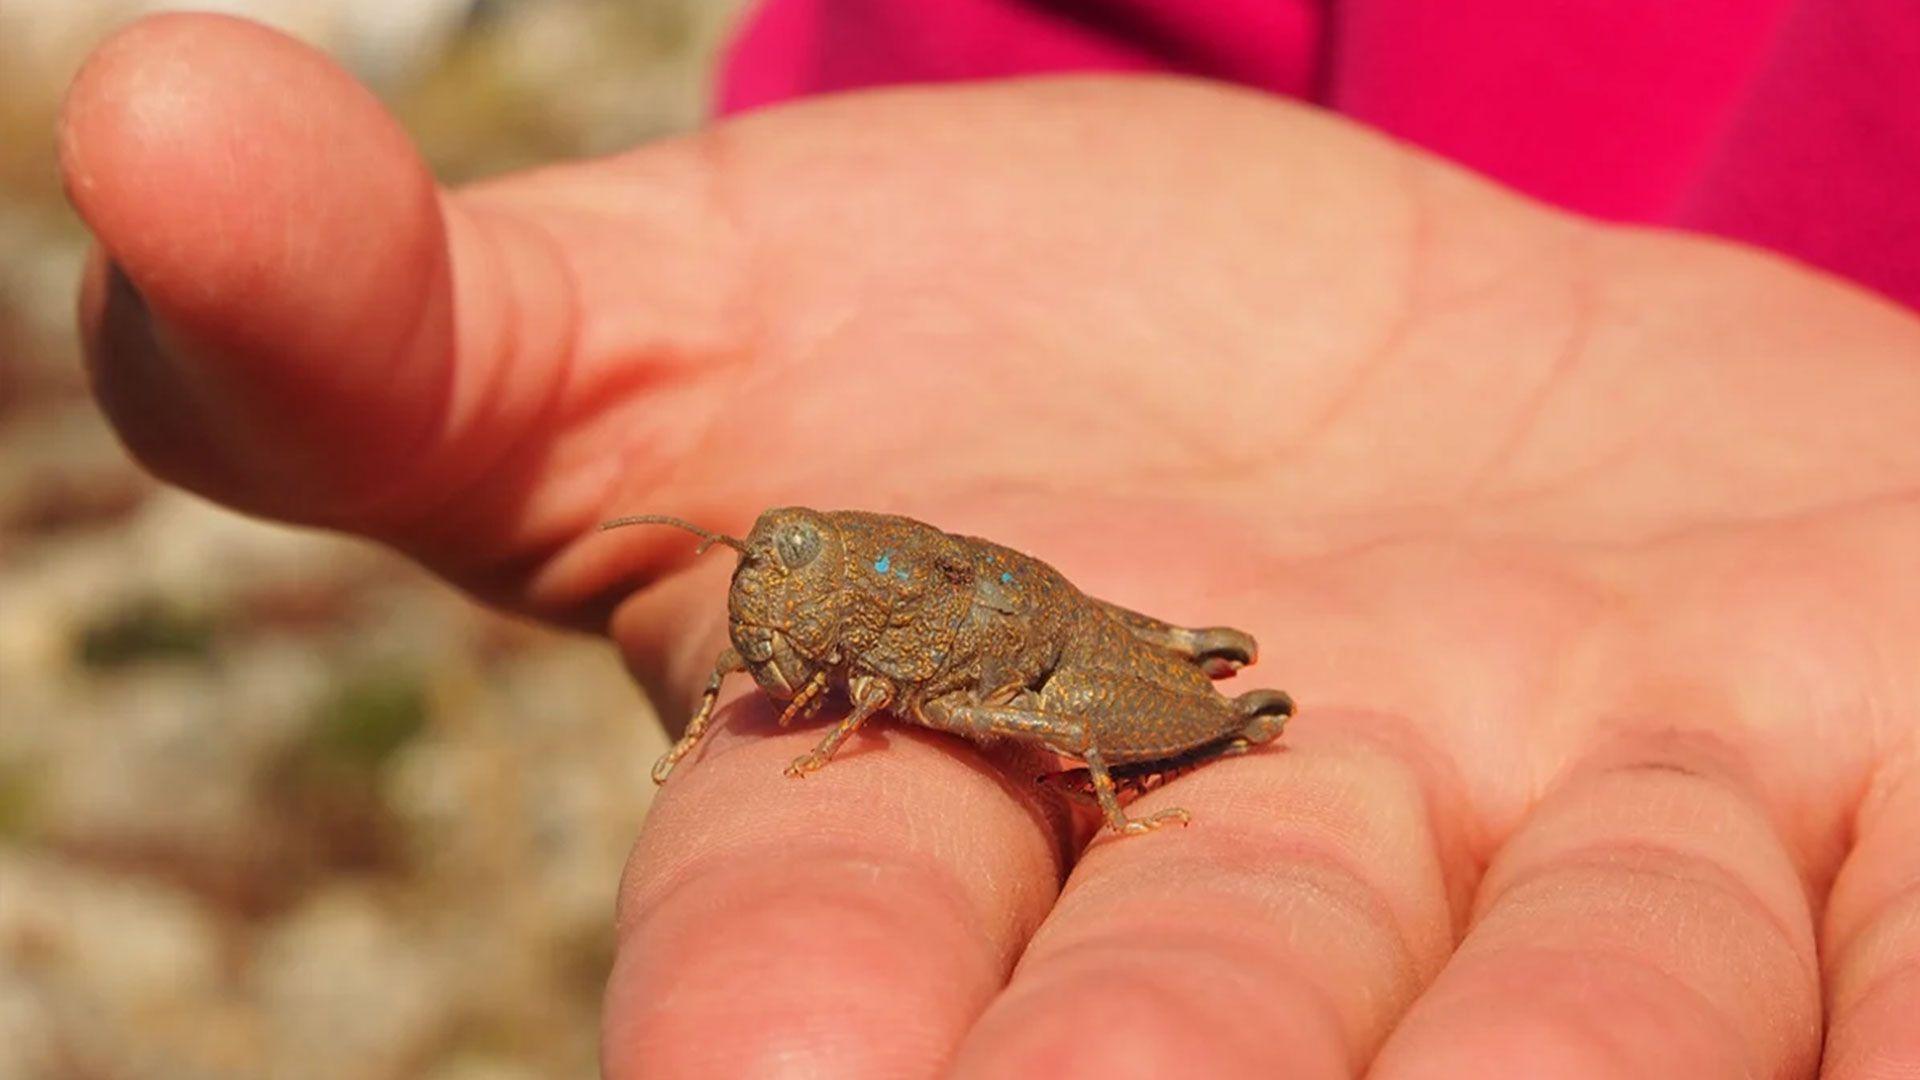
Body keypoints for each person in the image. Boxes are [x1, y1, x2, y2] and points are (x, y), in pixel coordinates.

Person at [59, 11, 1920, 1078]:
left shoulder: (907, 639)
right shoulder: (815, 594)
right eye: (766, 565)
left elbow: (958, 663)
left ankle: (1193, 738)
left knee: (1078, 698)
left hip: (1080, 666)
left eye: (790, 578)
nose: (768, 594)